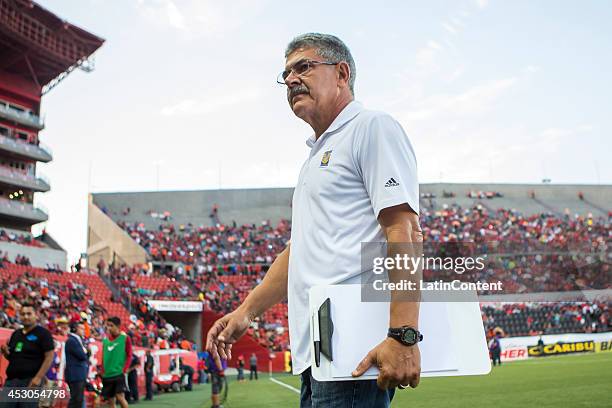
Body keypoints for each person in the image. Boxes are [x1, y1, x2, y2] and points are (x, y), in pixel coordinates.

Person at [207, 33, 421, 408]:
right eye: (286, 73)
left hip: (352, 351)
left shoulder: (371, 127)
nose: (291, 79)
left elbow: (403, 230)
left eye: (303, 66)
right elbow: (299, 252)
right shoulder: (317, 156)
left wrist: (404, 335)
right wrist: (245, 312)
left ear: (342, 73)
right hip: (318, 353)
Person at [0, 303, 55, 408]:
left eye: (29, 314)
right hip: (11, 382)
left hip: (30, 382)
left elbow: (49, 356)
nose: (26, 316)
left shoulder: (43, 334)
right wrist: (6, 353)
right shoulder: (16, 334)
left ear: (36, 315)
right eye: (23, 314)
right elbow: (13, 358)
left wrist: (37, 378)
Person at [100, 317, 131, 408]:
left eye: (111, 326)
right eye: (108, 325)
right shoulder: (105, 341)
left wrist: (125, 369)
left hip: (118, 373)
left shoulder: (125, 338)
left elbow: (129, 355)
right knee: (110, 401)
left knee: (120, 397)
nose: (109, 328)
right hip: (107, 375)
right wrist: (102, 370)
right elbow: (104, 357)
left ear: (118, 326)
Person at [65, 322, 89, 408]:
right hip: (75, 374)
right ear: (75, 329)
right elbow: (82, 356)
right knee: (76, 400)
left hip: (78, 374)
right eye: (81, 328)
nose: (83, 330)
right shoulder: (72, 340)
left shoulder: (77, 340)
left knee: (78, 400)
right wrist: (87, 351)